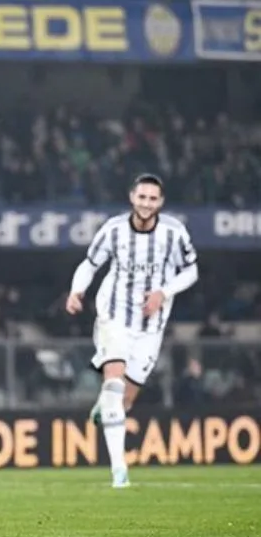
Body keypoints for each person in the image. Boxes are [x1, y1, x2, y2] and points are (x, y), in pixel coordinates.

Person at [66, 173, 198, 488]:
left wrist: (163, 292)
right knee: (114, 382)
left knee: (123, 402)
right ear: (132, 197)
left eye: (153, 199)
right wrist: (76, 291)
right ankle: (119, 472)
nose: (146, 203)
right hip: (114, 314)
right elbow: (89, 264)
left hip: (151, 326)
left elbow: (191, 269)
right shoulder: (113, 230)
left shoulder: (173, 233)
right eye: (142, 197)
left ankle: (104, 405)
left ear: (160, 203)